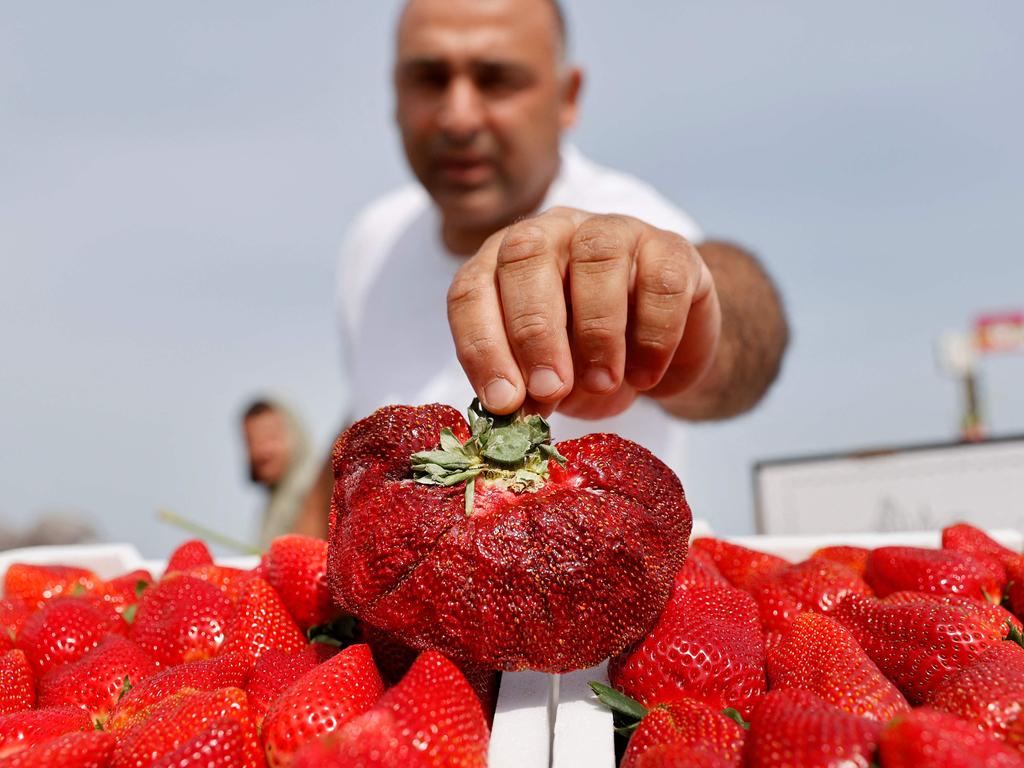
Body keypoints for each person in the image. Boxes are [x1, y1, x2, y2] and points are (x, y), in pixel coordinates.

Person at [294, 0, 789, 537]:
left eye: (497, 80)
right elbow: (369, 417)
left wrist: (688, 312)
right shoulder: (374, 241)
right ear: (393, 94)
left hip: (601, 607)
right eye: (429, 79)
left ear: (568, 97)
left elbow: (740, 332)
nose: (458, 116)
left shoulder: (631, 221)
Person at [241, 399, 319, 548]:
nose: (262, 451)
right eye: (253, 442)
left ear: (295, 435)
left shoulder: (314, 491)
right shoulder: (275, 501)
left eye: (271, 438)